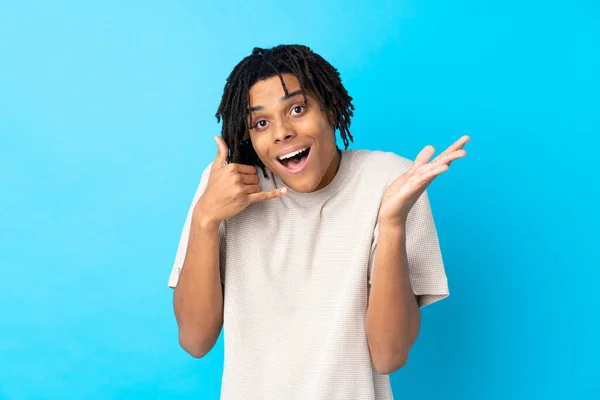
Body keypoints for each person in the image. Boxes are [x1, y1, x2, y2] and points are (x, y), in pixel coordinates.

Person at [168, 44, 469, 400]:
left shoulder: (394, 182)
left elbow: (390, 355)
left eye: (297, 109)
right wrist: (205, 218)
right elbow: (195, 340)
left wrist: (391, 225)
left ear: (329, 108)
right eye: (261, 123)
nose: (281, 132)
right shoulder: (226, 187)